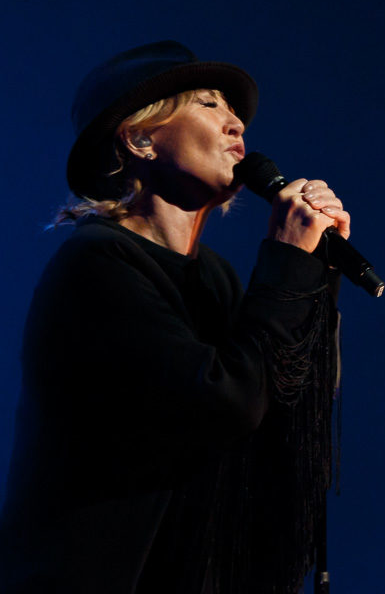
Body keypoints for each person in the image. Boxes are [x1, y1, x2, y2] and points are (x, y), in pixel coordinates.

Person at [0, 41, 349, 593]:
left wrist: (313, 274)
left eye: (233, 111)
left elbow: (286, 404)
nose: (237, 123)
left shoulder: (212, 278)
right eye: (210, 104)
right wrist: (283, 265)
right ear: (139, 138)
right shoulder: (96, 265)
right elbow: (225, 400)